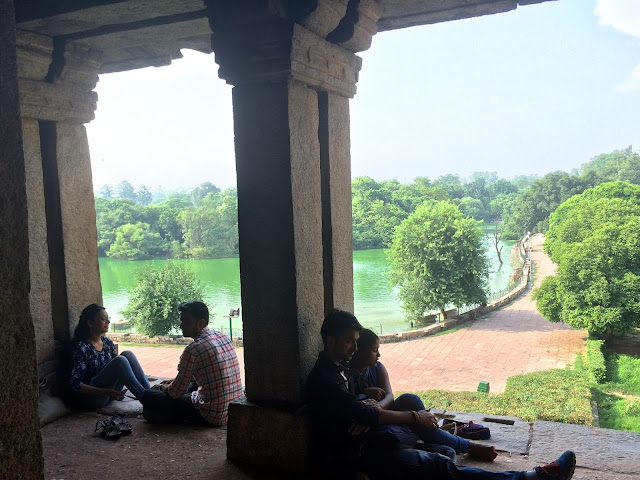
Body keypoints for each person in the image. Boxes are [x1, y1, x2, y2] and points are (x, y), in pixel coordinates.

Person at [305, 309, 576, 480]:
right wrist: (414, 417)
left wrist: (366, 404)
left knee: (437, 450)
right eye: (349, 341)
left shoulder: (341, 369)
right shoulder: (325, 379)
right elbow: (362, 411)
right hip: (359, 454)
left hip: (374, 439)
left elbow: (363, 407)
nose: (354, 348)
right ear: (330, 341)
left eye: (356, 342)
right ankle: (533, 477)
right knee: (440, 465)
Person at [350, 328, 497, 461]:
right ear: (358, 351)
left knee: (410, 399)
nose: (379, 354)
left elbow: (390, 397)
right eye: (374, 350)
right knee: (427, 434)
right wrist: (369, 408)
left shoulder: (378, 368)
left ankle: (447, 440)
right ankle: (466, 446)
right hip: (374, 426)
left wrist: (378, 407)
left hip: (383, 414)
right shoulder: (346, 373)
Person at [140, 301, 243, 426]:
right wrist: (176, 382)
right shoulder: (223, 337)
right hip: (230, 410)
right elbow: (206, 374)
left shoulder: (193, 349)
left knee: (147, 395)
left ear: (201, 323)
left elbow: (175, 393)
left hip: (211, 415)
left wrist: (161, 387)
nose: (181, 326)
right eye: (181, 321)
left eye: (186, 322)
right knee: (187, 385)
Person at [70, 304, 150, 410]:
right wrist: (106, 391)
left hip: (110, 394)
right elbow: (75, 384)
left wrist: (111, 391)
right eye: (103, 319)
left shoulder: (107, 342)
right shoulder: (82, 347)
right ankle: (149, 402)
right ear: (90, 323)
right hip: (93, 398)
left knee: (127, 354)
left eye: (108, 319)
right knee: (120, 361)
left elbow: (119, 371)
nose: (108, 322)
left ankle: (151, 394)